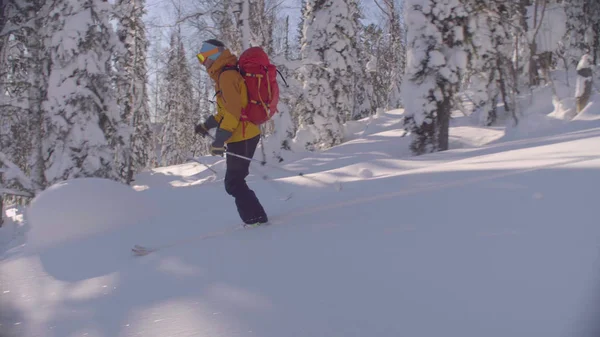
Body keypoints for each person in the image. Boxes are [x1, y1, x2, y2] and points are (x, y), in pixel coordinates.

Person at [194, 39, 269, 226]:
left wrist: (220, 139)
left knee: (234, 182)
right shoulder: (223, 75)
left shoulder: (226, 76)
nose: (202, 62)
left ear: (214, 54)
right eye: (199, 58)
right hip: (241, 134)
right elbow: (224, 112)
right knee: (235, 181)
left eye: (203, 57)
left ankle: (256, 220)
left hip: (243, 135)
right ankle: (256, 218)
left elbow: (234, 112)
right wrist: (206, 125)